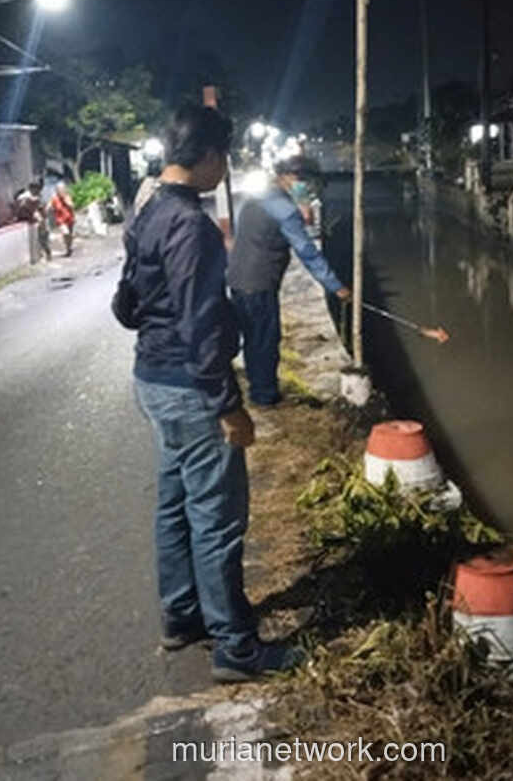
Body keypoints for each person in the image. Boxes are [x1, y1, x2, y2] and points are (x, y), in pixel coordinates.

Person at [123, 104, 301, 682]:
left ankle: (181, 617)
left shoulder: (147, 212)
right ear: (205, 157)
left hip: (152, 378)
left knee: (174, 504)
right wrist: (228, 404)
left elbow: (126, 307)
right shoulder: (191, 227)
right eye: (222, 157)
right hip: (191, 389)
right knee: (217, 518)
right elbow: (201, 326)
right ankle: (236, 647)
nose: (225, 168)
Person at [226, 155, 351, 407]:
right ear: (291, 178)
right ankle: (265, 396)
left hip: (238, 277)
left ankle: (257, 386)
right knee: (265, 339)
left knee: (253, 337)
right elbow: (307, 252)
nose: (309, 189)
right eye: (308, 183)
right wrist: (336, 287)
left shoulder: (257, 199)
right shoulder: (284, 209)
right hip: (259, 281)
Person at [16, 180, 50, 262]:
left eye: (38, 189)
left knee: (43, 238)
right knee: (36, 240)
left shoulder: (38, 196)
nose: (38, 191)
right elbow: (22, 205)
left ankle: (47, 254)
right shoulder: (25, 196)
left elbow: (43, 207)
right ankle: (40, 256)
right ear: (31, 188)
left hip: (40, 220)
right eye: (36, 189)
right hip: (31, 221)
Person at [49, 181, 76, 257]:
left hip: (69, 219)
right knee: (66, 232)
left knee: (70, 235)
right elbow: (49, 207)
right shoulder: (54, 198)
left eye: (62, 189)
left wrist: (67, 202)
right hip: (60, 220)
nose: (61, 191)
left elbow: (72, 206)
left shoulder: (67, 197)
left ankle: (68, 248)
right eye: (59, 189)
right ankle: (68, 248)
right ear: (57, 190)